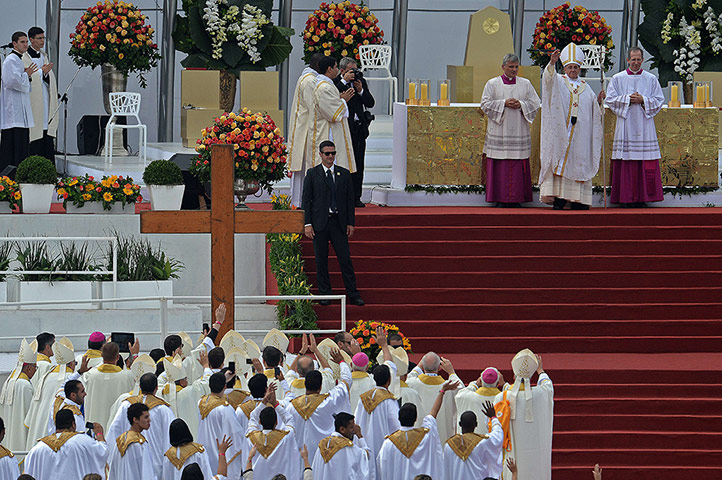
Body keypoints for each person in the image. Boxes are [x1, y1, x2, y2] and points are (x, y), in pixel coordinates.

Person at [539, 43, 603, 210]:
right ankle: (559, 199)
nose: (573, 70)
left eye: (575, 67)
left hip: (581, 134)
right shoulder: (559, 81)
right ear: (565, 68)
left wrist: (598, 102)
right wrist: (552, 63)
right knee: (561, 161)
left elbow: (592, 110)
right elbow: (547, 79)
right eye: (570, 67)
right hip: (562, 132)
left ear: (580, 68)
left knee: (578, 163)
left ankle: (577, 200)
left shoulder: (586, 87)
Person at [302, 140, 364, 307]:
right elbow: (306, 200)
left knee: (345, 259)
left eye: (333, 153)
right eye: (327, 153)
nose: (330, 156)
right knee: (321, 260)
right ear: (321, 155)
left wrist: (351, 222)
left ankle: (353, 294)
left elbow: (349, 200)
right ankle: (324, 294)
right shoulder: (312, 174)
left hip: (338, 222)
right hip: (319, 223)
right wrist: (307, 223)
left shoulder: (343, 174)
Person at [605, 46, 665, 207]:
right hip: (626, 125)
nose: (636, 63)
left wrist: (643, 100)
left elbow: (659, 100)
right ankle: (625, 198)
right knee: (627, 162)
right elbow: (610, 100)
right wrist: (627, 99)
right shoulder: (618, 78)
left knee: (644, 161)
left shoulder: (651, 78)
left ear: (642, 60)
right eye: (633, 60)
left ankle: (642, 198)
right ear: (628, 60)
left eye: (639, 59)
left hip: (645, 126)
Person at [479, 53, 541, 207]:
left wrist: (521, 104)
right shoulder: (492, 84)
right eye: (511, 67)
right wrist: (503, 103)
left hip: (518, 130)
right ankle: (500, 198)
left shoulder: (525, 84)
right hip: (500, 131)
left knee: (517, 165)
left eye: (516, 67)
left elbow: (535, 103)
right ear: (503, 67)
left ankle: (516, 198)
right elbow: (484, 104)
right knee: (500, 166)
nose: (514, 70)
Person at [376, 379, 459, 480]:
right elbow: (433, 413)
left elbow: (382, 468)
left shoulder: (389, 443)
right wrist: (442, 391)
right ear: (416, 418)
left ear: (398, 418)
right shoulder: (426, 436)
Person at [494, 350, 553, 480]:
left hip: (512, 453)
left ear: (514, 375)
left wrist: (504, 385)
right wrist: (541, 371)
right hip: (534, 456)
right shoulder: (540, 394)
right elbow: (548, 386)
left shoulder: (502, 398)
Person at [286, 348, 351, 459]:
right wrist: (341, 362)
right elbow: (346, 381)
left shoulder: (292, 406)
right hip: (324, 454)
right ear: (321, 387)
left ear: (305, 384)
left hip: (300, 456)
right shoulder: (328, 401)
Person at [107, 373, 176, 478]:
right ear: (156, 388)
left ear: (140, 387)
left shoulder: (126, 405)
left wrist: (111, 460)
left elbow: (114, 431)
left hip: (128, 460)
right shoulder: (164, 410)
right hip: (156, 463)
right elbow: (170, 439)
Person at [334, 56, 375, 207]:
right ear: (343, 70)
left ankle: (356, 196)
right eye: (352, 71)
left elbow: (370, 102)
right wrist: (344, 81)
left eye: (356, 70)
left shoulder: (360, 82)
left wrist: (361, 90)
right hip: (345, 128)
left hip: (359, 128)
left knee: (359, 163)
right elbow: (333, 97)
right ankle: (342, 196)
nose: (354, 74)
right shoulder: (336, 83)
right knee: (345, 164)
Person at [353, 327, 398, 461]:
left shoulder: (345, 384)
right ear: (389, 380)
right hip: (385, 449)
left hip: (361, 444)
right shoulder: (387, 399)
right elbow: (390, 366)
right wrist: (384, 345)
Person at [24, 409, 107, 480]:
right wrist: (99, 433)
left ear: (56, 425)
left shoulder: (37, 448)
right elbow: (103, 452)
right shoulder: (83, 441)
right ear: (73, 424)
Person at [24, 338, 77, 450]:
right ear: (71, 364)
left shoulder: (46, 376)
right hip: (59, 434)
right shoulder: (71, 380)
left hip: (39, 430)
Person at [309, 55, 356, 176]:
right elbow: (333, 114)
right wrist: (344, 100)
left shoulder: (327, 85)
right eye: (335, 67)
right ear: (329, 69)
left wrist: (340, 99)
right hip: (327, 132)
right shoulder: (324, 87)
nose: (337, 70)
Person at [289, 52, 324, 207]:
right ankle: (300, 203)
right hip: (306, 129)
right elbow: (315, 106)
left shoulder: (307, 78)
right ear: (318, 65)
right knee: (304, 168)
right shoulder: (310, 81)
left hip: (304, 126)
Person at [244, 388, 300, 480]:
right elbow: (289, 419)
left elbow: (253, 417)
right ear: (277, 422)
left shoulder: (251, 437)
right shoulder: (285, 437)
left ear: (260, 422)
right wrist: (275, 403)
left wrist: (263, 402)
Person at [197, 372, 245, 479]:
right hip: (220, 452)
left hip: (205, 450)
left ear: (209, 386)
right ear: (225, 386)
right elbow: (236, 434)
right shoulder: (225, 409)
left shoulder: (200, 402)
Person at [406, 352, 462, 442]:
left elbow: (409, 377)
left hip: (418, 437)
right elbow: (461, 389)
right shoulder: (449, 386)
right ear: (439, 367)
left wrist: (419, 366)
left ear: (423, 367)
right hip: (442, 436)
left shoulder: (412, 383)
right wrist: (451, 372)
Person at [0, 31, 35, 174]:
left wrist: (26, 75)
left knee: (21, 144)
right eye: (22, 42)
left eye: (27, 42)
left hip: (20, 110)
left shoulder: (18, 59)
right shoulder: (10, 60)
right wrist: (26, 75)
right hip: (13, 111)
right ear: (14, 43)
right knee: (12, 145)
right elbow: (11, 81)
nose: (26, 44)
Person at [83, 341, 138, 431]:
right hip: (118, 429)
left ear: (101, 356)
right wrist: (135, 355)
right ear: (117, 357)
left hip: (95, 428)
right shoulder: (128, 376)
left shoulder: (90, 375)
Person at [443, 404, 504, 479]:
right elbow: (498, 435)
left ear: (460, 424)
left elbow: (445, 471)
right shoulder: (482, 443)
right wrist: (493, 417)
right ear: (476, 424)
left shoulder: (449, 445)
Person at [23, 26, 57, 161]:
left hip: (45, 95)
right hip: (32, 97)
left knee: (45, 126)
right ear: (31, 39)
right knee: (34, 126)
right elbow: (25, 76)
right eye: (39, 38)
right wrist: (41, 72)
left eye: (43, 38)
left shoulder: (44, 56)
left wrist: (46, 74)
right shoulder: (24, 57)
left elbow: (50, 77)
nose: (42, 41)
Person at [312, 412, 373, 480]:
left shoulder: (321, 445)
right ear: (342, 429)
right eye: (351, 427)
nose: (354, 431)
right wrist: (360, 436)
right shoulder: (347, 447)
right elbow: (367, 454)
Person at [161, 354, 211, 438]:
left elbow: (160, 379)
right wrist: (206, 366)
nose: (187, 381)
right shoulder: (190, 392)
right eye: (186, 379)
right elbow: (206, 382)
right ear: (181, 382)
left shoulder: (161, 392)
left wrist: (170, 369)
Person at [0, 338, 36, 451]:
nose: (35, 371)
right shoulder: (24, 385)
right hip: (21, 436)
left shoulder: (9, 381)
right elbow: (30, 415)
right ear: (29, 368)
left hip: (8, 434)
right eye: (35, 367)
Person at [106, 402, 155, 479]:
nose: (149, 420)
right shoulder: (140, 444)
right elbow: (147, 474)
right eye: (146, 417)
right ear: (135, 419)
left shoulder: (119, 443)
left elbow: (113, 473)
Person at [454, 366, 504, 435]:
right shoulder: (504, 398)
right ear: (498, 383)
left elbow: (461, 394)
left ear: (480, 381)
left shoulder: (466, 396)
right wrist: (504, 384)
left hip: (471, 442)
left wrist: (475, 384)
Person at [285, 333, 336, 398]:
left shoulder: (289, 384)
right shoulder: (322, 383)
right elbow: (328, 370)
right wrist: (315, 350)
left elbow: (291, 371)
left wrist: (302, 351)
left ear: (297, 370)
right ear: (314, 369)